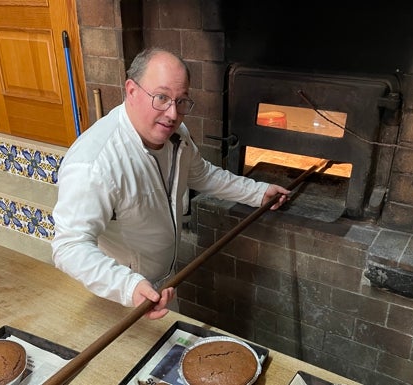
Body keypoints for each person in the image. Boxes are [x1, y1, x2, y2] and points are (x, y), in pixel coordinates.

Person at [51, 47, 290, 320]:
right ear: (131, 90)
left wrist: (258, 192)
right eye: (161, 97)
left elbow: (202, 175)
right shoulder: (94, 164)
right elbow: (69, 246)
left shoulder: (175, 135)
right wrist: (128, 286)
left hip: (162, 285)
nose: (172, 113)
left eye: (181, 101)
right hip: (116, 295)